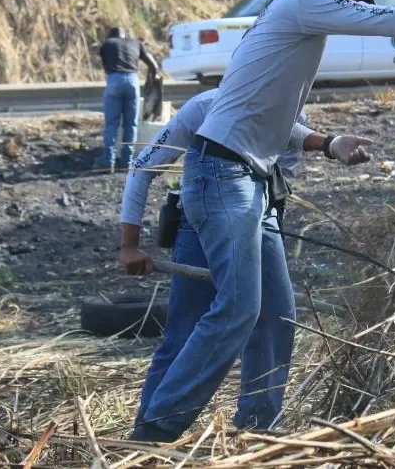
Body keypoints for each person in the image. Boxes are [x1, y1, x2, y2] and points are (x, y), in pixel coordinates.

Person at [136, 0, 395, 442]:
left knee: (277, 316)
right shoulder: (307, 0)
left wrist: (327, 143)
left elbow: (264, 108)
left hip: (251, 179)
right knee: (238, 307)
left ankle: (258, 434)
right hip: (223, 176)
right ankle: (156, 432)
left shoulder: (292, 5)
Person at [118, 89, 314, 435]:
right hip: (201, 220)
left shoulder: (295, 119)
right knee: (187, 330)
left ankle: (257, 431)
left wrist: (261, 254)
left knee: (275, 319)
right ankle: (148, 436)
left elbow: (277, 191)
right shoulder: (203, 108)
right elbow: (141, 168)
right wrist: (129, 246)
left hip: (258, 216)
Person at [97, 26, 160, 172]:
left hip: (114, 81)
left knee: (112, 123)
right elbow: (154, 65)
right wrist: (152, 81)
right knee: (130, 124)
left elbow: (106, 68)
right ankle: (127, 161)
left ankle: (108, 160)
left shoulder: (107, 44)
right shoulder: (135, 43)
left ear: (111, 35)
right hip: (133, 82)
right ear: (125, 34)